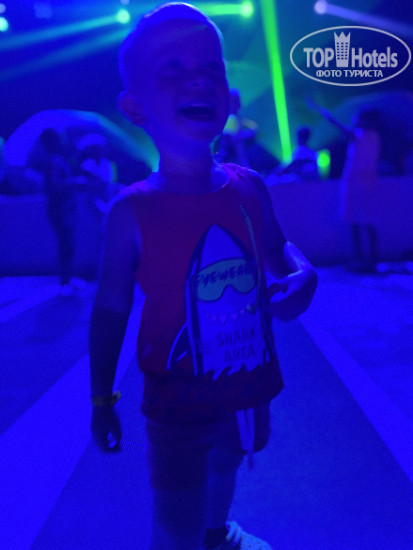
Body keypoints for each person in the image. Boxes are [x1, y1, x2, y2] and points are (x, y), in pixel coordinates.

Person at [89, 4, 317, 550]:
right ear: (134, 106)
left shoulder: (249, 187)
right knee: (176, 517)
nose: (197, 80)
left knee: (228, 461)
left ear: (228, 96)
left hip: (246, 378)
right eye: (172, 70)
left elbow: (276, 248)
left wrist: (304, 273)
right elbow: (110, 310)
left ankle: (217, 536)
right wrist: (101, 399)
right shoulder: (131, 212)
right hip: (178, 399)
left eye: (211, 68)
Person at [310, 101, 381, 272]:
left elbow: (342, 128)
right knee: (362, 220)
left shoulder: (363, 134)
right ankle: (366, 260)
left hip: (359, 184)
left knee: (361, 221)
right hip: (363, 183)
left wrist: (323, 112)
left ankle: (365, 260)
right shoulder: (372, 136)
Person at [38, 128, 78, 294]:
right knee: (66, 244)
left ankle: (67, 279)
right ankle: (65, 281)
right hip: (60, 209)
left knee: (67, 244)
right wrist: (75, 182)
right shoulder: (53, 161)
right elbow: (53, 186)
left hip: (62, 208)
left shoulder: (55, 160)